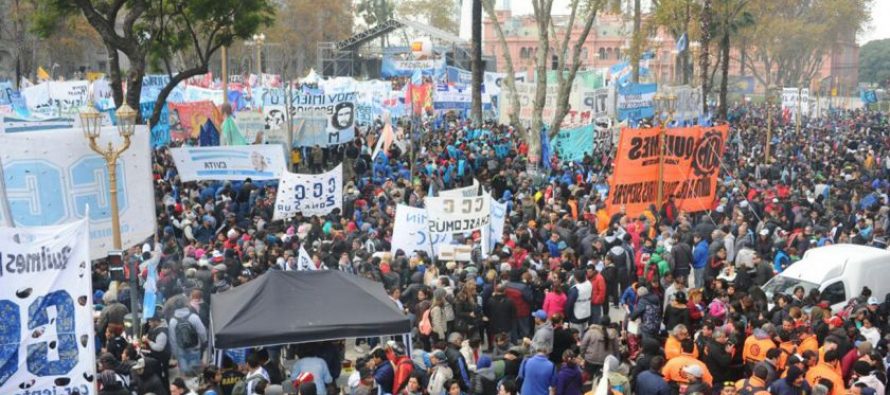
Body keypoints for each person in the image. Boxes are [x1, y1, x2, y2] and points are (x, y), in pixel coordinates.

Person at [167, 296, 208, 377]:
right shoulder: (194, 317)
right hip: (195, 348)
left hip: (181, 350)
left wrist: (175, 353)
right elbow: (202, 332)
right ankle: (196, 384)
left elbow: (172, 339)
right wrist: (204, 342)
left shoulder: (173, 321)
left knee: (185, 373)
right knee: (195, 372)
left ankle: (187, 386)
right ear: (186, 306)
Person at [578, 316, 619, 384]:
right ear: (609, 323)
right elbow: (616, 349)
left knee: (588, 379)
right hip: (605, 361)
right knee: (601, 381)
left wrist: (583, 355)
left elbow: (583, 346)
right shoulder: (613, 333)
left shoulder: (591, 332)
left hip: (590, 360)